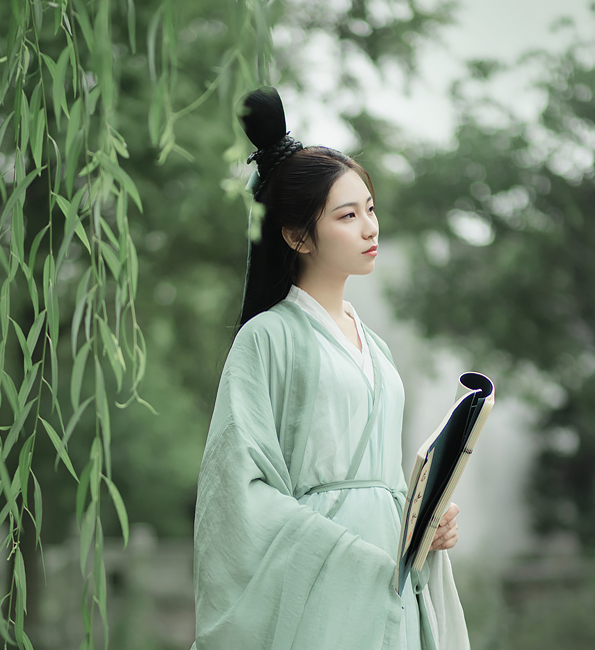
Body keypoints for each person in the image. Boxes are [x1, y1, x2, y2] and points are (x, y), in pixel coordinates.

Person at [191, 87, 470, 650]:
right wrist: (345, 550)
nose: (370, 227)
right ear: (297, 235)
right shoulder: (267, 338)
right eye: (347, 215)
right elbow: (237, 492)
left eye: (370, 208)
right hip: (324, 580)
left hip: (393, 576)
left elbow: (386, 478)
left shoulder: (378, 348)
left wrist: (426, 519)